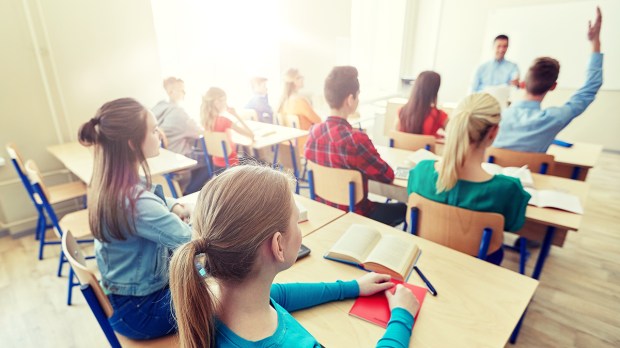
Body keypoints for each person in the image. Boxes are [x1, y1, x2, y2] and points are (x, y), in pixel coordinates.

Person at [169, 164, 420, 347]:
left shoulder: (211, 301)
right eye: (296, 221)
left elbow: (281, 295)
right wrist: (402, 317)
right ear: (278, 245)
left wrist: (350, 287)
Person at [78, 98, 192, 339]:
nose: (159, 133)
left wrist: (176, 205)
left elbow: (154, 201)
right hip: (144, 312)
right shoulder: (134, 202)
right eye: (152, 130)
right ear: (132, 143)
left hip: (129, 303)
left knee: (212, 282)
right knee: (224, 293)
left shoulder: (110, 183)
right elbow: (191, 240)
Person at [407, 93, 530, 265]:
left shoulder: (421, 171)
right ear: (493, 132)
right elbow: (512, 225)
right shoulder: (508, 189)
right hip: (477, 267)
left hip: (425, 260)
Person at [305, 66, 407, 227]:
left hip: (325, 212)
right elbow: (387, 176)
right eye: (358, 96)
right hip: (356, 216)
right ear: (350, 99)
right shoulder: (356, 140)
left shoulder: (312, 133)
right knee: (403, 208)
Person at [493, 7, 603, 153]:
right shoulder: (554, 118)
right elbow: (590, 88)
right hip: (527, 174)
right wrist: (595, 42)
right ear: (553, 86)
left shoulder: (498, 115)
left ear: (523, 83)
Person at [152, 77, 210, 194]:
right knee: (209, 160)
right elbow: (199, 132)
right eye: (182, 90)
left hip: (164, 157)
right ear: (171, 92)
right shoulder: (179, 112)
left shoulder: (158, 107)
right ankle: (188, 192)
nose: (185, 93)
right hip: (180, 157)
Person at [201, 87, 254, 169]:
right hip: (232, 166)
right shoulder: (224, 121)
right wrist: (236, 115)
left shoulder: (205, 122)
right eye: (225, 100)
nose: (226, 104)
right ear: (217, 102)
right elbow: (250, 134)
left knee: (244, 156)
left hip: (217, 167)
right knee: (256, 160)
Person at [397, 71, 448, 137]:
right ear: (435, 91)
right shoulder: (440, 116)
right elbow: (453, 135)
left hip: (402, 147)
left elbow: (396, 135)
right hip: (426, 147)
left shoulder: (402, 111)